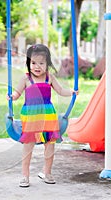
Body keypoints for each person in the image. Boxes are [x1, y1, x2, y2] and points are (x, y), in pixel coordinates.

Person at [7, 44, 78, 187]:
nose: (37, 66)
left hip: (48, 116)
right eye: (33, 63)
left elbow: (60, 90)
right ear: (28, 63)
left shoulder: (49, 78)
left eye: (41, 63)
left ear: (47, 64)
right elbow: (17, 93)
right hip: (31, 117)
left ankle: (47, 172)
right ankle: (25, 175)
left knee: (49, 144)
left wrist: (71, 92)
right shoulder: (26, 79)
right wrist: (12, 97)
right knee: (28, 146)